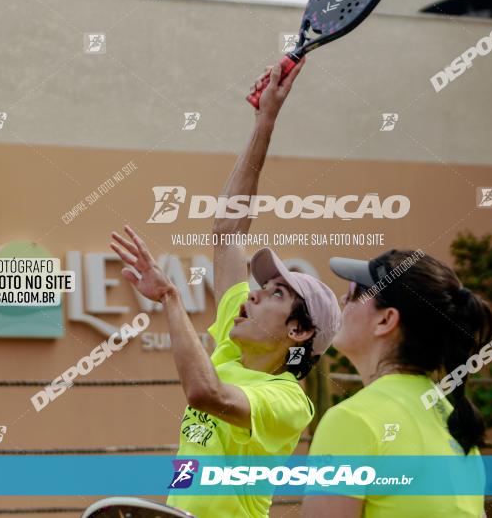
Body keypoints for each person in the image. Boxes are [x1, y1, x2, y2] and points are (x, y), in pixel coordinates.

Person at [110, 56, 342, 518]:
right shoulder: (235, 345)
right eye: (263, 287)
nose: (254, 293)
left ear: (298, 332)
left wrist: (171, 299)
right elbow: (229, 233)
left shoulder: (287, 402)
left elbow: (206, 394)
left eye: (277, 294)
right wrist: (264, 122)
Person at [301, 250, 492, 518]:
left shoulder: (352, 420)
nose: (343, 299)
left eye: (356, 292)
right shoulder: (458, 423)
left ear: (386, 319)